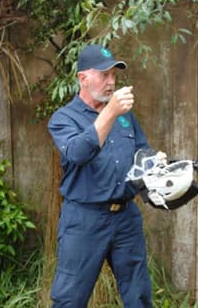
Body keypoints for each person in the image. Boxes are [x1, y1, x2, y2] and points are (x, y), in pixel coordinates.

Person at [48, 44, 158, 307]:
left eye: (114, 75)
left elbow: (142, 152)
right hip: (84, 219)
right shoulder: (63, 118)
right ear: (82, 78)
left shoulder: (125, 117)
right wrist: (110, 113)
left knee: (139, 294)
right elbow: (77, 153)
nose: (111, 82)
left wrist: (156, 164)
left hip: (125, 218)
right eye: (104, 74)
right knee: (69, 299)